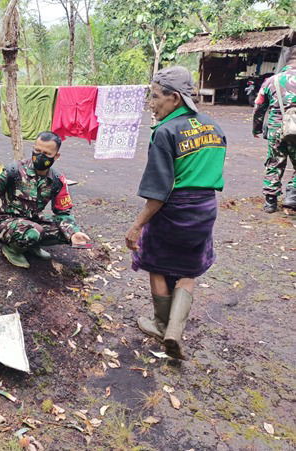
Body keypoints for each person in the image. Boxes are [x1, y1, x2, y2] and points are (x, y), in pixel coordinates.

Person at [125, 66, 227, 360]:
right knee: (188, 269)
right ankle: (174, 331)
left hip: (173, 210)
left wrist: (136, 226)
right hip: (205, 209)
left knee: (155, 264)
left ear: (176, 98)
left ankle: (161, 324)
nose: (151, 103)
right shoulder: (213, 127)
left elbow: (159, 191)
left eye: (156, 96)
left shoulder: (165, 132)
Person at [0, 130, 90, 268]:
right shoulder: (13, 170)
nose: (40, 156)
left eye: (47, 154)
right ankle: (12, 250)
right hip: (4, 221)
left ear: (56, 156)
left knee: (65, 231)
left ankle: (30, 244)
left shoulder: (57, 180)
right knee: (35, 231)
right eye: (37, 150)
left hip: (31, 220)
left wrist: (73, 233)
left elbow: (63, 213)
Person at [253, 45, 296, 213]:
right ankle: (292, 195)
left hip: (275, 128)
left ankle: (270, 201)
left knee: (274, 162)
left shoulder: (272, 81)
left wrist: (256, 129)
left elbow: (258, 107)